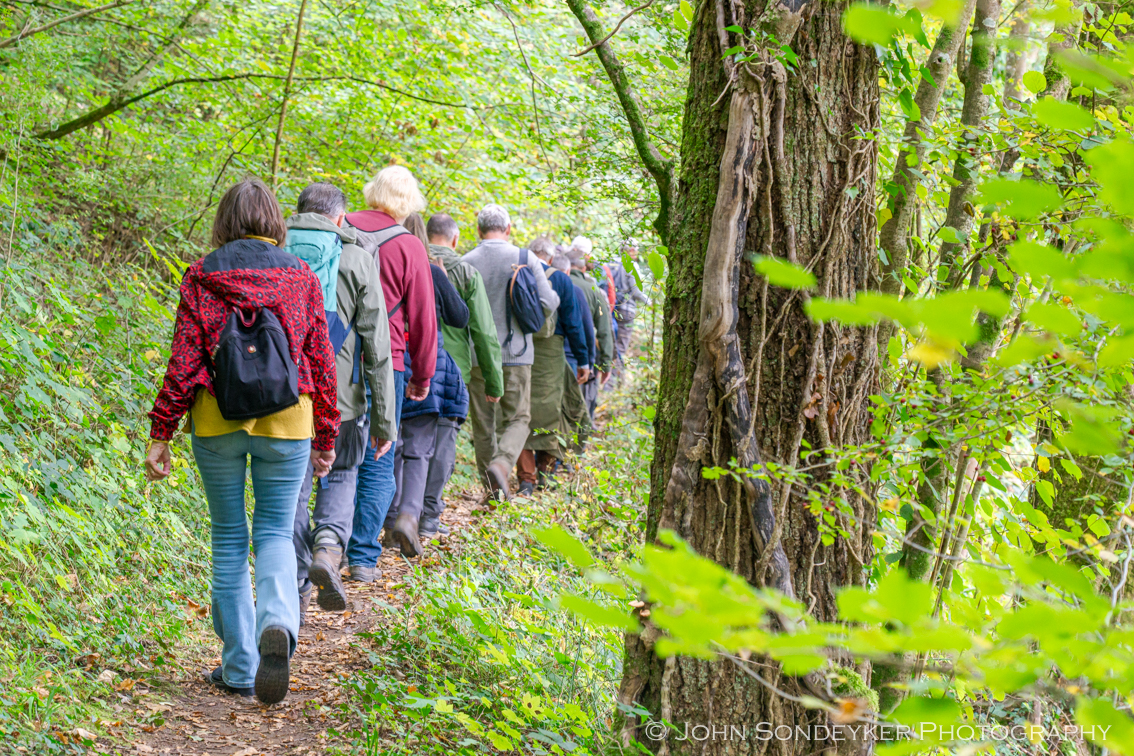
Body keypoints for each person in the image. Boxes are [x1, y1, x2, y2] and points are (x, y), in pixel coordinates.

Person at [144, 178, 339, 705]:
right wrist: (326, 431)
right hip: (288, 419)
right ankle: (277, 621)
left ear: (224, 222)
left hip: (215, 419)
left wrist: (162, 429)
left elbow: (184, 360)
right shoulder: (299, 274)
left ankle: (238, 667)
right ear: (276, 220)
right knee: (276, 532)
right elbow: (320, 358)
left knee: (229, 540)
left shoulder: (203, 275)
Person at [284, 182, 397, 623]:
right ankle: (329, 550)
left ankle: (293, 591)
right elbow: (378, 345)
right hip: (342, 399)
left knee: (290, 489)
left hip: (281, 396)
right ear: (339, 218)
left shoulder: (275, 248)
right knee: (344, 472)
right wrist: (386, 420)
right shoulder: (357, 257)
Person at [343, 166, 437, 582]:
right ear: (409, 203)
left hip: (338, 358)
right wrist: (423, 374)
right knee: (379, 458)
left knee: (338, 451)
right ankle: (362, 557)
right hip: (391, 361)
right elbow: (423, 317)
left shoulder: (341, 227)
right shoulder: (409, 245)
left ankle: (328, 542)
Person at [462, 203, 559, 501]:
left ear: (478, 230)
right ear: (508, 230)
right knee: (518, 418)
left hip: (478, 356)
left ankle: (493, 492)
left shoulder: (465, 262)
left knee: (483, 423)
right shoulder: (525, 257)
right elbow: (549, 302)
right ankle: (503, 465)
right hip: (516, 352)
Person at [422, 213, 503, 535]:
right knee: (443, 444)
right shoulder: (466, 272)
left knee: (407, 444)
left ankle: (401, 513)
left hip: (410, 364)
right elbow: (483, 332)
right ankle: (429, 516)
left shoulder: (407, 260)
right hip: (452, 371)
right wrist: (494, 381)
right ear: (455, 239)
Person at [384, 262, 469, 556]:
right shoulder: (431, 271)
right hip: (427, 361)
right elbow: (460, 316)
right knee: (419, 449)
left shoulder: (379, 261)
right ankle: (410, 516)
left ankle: (391, 517)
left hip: (388, 359)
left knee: (389, 442)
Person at [516, 236, 590, 496]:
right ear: (549, 256)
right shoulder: (560, 280)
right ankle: (546, 475)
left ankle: (526, 479)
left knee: (521, 412)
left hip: (520, 351)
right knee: (552, 413)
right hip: (551, 354)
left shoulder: (517, 273)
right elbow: (574, 323)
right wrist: (583, 360)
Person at [566, 237, 613, 445]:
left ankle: (555, 457)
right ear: (585, 265)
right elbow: (605, 331)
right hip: (585, 356)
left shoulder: (553, 281)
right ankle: (577, 451)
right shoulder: (594, 290)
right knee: (584, 404)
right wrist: (606, 363)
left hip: (556, 354)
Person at [556, 252, 595, 455]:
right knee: (572, 409)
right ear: (568, 270)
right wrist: (588, 361)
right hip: (571, 360)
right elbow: (584, 329)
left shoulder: (538, 284)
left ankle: (549, 461)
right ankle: (567, 456)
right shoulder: (575, 290)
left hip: (544, 359)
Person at [608, 239, 649, 384]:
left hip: (609, 309)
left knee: (610, 344)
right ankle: (613, 383)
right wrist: (649, 302)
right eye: (635, 249)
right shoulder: (631, 265)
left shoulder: (609, 263)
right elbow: (637, 291)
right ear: (630, 250)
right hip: (627, 311)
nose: (636, 252)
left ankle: (611, 381)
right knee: (620, 347)